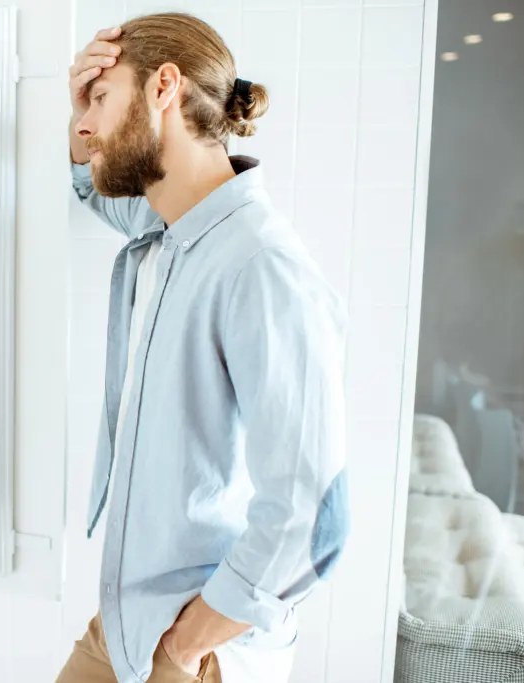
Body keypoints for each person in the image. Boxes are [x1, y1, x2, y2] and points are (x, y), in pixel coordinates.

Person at [57, 13, 350, 683]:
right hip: (130, 624)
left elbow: (314, 517)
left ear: (165, 86)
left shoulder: (261, 266)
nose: (84, 123)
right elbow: (92, 187)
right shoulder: (173, 230)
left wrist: (186, 645)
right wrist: (84, 115)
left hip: (199, 646)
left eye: (100, 100)